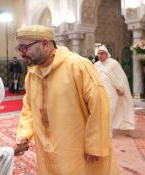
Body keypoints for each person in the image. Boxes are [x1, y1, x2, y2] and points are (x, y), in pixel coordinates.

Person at [14, 25, 118, 174]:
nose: (21, 53)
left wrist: (95, 145)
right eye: (19, 48)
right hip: (46, 148)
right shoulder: (32, 74)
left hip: (77, 149)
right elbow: (29, 108)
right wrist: (24, 133)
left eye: (24, 47)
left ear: (45, 44)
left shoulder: (77, 65)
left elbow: (99, 105)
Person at [94, 45, 135, 134]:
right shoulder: (96, 65)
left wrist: (120, 88)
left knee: (110, 110)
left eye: (102, 53)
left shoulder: (114, 64)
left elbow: (120, 77)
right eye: (98, 53)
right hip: (99, 92)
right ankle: (102, 130)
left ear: (106, 54)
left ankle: (108, 131)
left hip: (111, 92)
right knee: (100, 111)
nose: (100, 55)